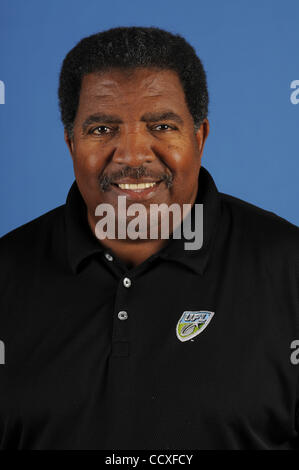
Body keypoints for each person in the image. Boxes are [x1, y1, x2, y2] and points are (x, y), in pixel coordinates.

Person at [0, 26, 299, 450]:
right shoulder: (6, 275)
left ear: (199, 137)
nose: (133, 156)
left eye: (160, 125)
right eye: (102, 129)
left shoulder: (290, 270)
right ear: (70, 144)